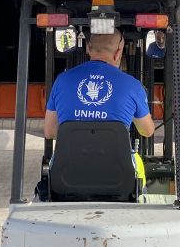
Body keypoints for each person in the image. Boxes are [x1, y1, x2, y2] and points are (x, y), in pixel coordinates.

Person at [43, 31, 155, 186]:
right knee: (138, 162)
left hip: (67, 176)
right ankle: (137, 198)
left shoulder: (62, 80)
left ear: (88, 48)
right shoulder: (133, 85)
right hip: (118, 179)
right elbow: (147, 131)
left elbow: (49, 132)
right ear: (118, 53)